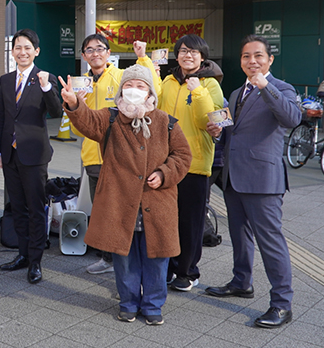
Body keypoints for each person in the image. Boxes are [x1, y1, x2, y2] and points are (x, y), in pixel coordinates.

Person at [60, 65, 192, 326]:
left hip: (156, 202)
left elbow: (183, 156)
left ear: (150, 92)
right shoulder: (110, 118)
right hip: (120, 203)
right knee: (125, 259)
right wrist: (75, 103)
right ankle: (128, 302)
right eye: (129, 86)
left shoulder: (166, 122)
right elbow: (86, 120)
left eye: (141, 86)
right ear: (121, 90)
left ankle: (153, 304)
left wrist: (165, 173)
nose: (134, 90)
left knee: (157, 258)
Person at [205, 35, 301, 328]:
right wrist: (218, 131)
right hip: (234, 178)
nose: (252, 61)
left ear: (269, 60)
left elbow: (292, 118)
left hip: (263, 180)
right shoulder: (236, 93)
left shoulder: (281, 88)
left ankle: (282, 304)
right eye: (246, 56)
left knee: (270, 242)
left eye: (258, 56)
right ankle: (241, 282)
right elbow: (235, 130)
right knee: (240, 235)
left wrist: (266, 87)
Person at [72, 34, 160, 276]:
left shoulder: (122, 77)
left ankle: (128, 263)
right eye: (89, 50)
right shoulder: (82, 85)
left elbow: (152, 87)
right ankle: (108, 258)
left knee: (124, 213)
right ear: (83, 56)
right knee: (102, 211)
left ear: (108, 53)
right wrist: (77, 105)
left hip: (121, 158)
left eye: (100, 49)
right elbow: (75, 128)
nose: (95, 53)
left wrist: (143, 58)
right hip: (93, 158)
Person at [155, 35, 224, 292]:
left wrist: (199, 91)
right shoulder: (169, 81)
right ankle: (170, 268)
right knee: (168, 219)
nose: (188, 55)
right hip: (167, 163)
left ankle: (188, 271)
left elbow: (210, 121)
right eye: (183, 51)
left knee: (190, 221)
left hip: (195, 164)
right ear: (176, 55)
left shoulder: (211, 85)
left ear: (202, 57)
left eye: (194, 52)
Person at [0, 29, 61, 284]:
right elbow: (1, 116)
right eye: (18, 47)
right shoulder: (6, 80)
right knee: (17, 207)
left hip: (34, 155)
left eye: (27, 48)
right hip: (10, 154)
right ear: (13, 52)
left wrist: (46, 88)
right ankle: (22, 254)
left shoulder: (46, 78)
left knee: (35, 209)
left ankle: (35, 261)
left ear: (36, 51)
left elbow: (56, 111)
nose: (22, 52)